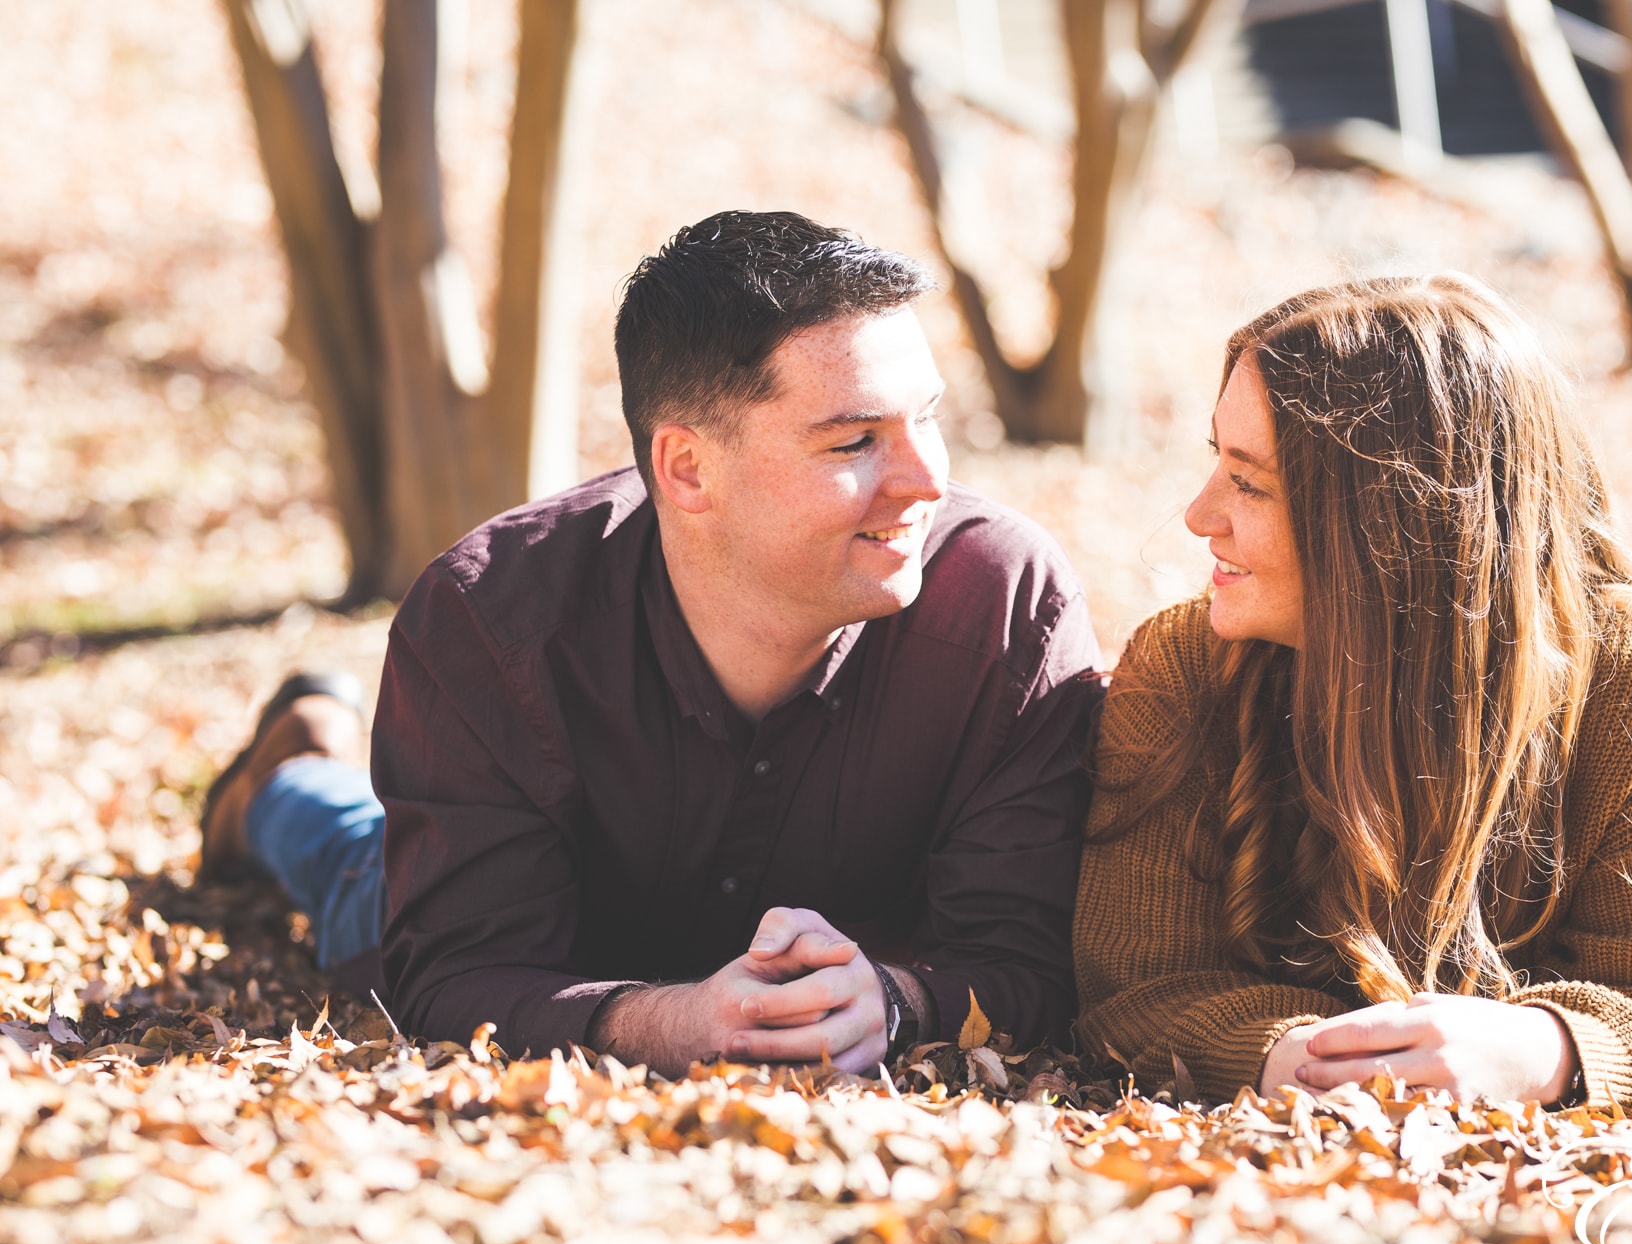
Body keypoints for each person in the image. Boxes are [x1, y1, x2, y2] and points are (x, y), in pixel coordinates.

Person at [201, 211, 1105, 1074]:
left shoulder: (1006, 608)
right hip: (518, 924)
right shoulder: (490, 623)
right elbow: (455, 974)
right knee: (348, 854)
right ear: (688, 469)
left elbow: (1028, 961)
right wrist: (678, 1024)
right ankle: (285, 772)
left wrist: (897, 1001)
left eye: (929, 418)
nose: (925, 480)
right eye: (856, 441)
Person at [1073, 275, 1632, 1111]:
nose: (1198, 514)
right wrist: (1304, 1059)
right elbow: (1135, 989)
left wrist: (1544, 1050)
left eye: (1248, 483)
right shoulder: (1184, 666)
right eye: (1215, 460)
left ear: (1386, 519)